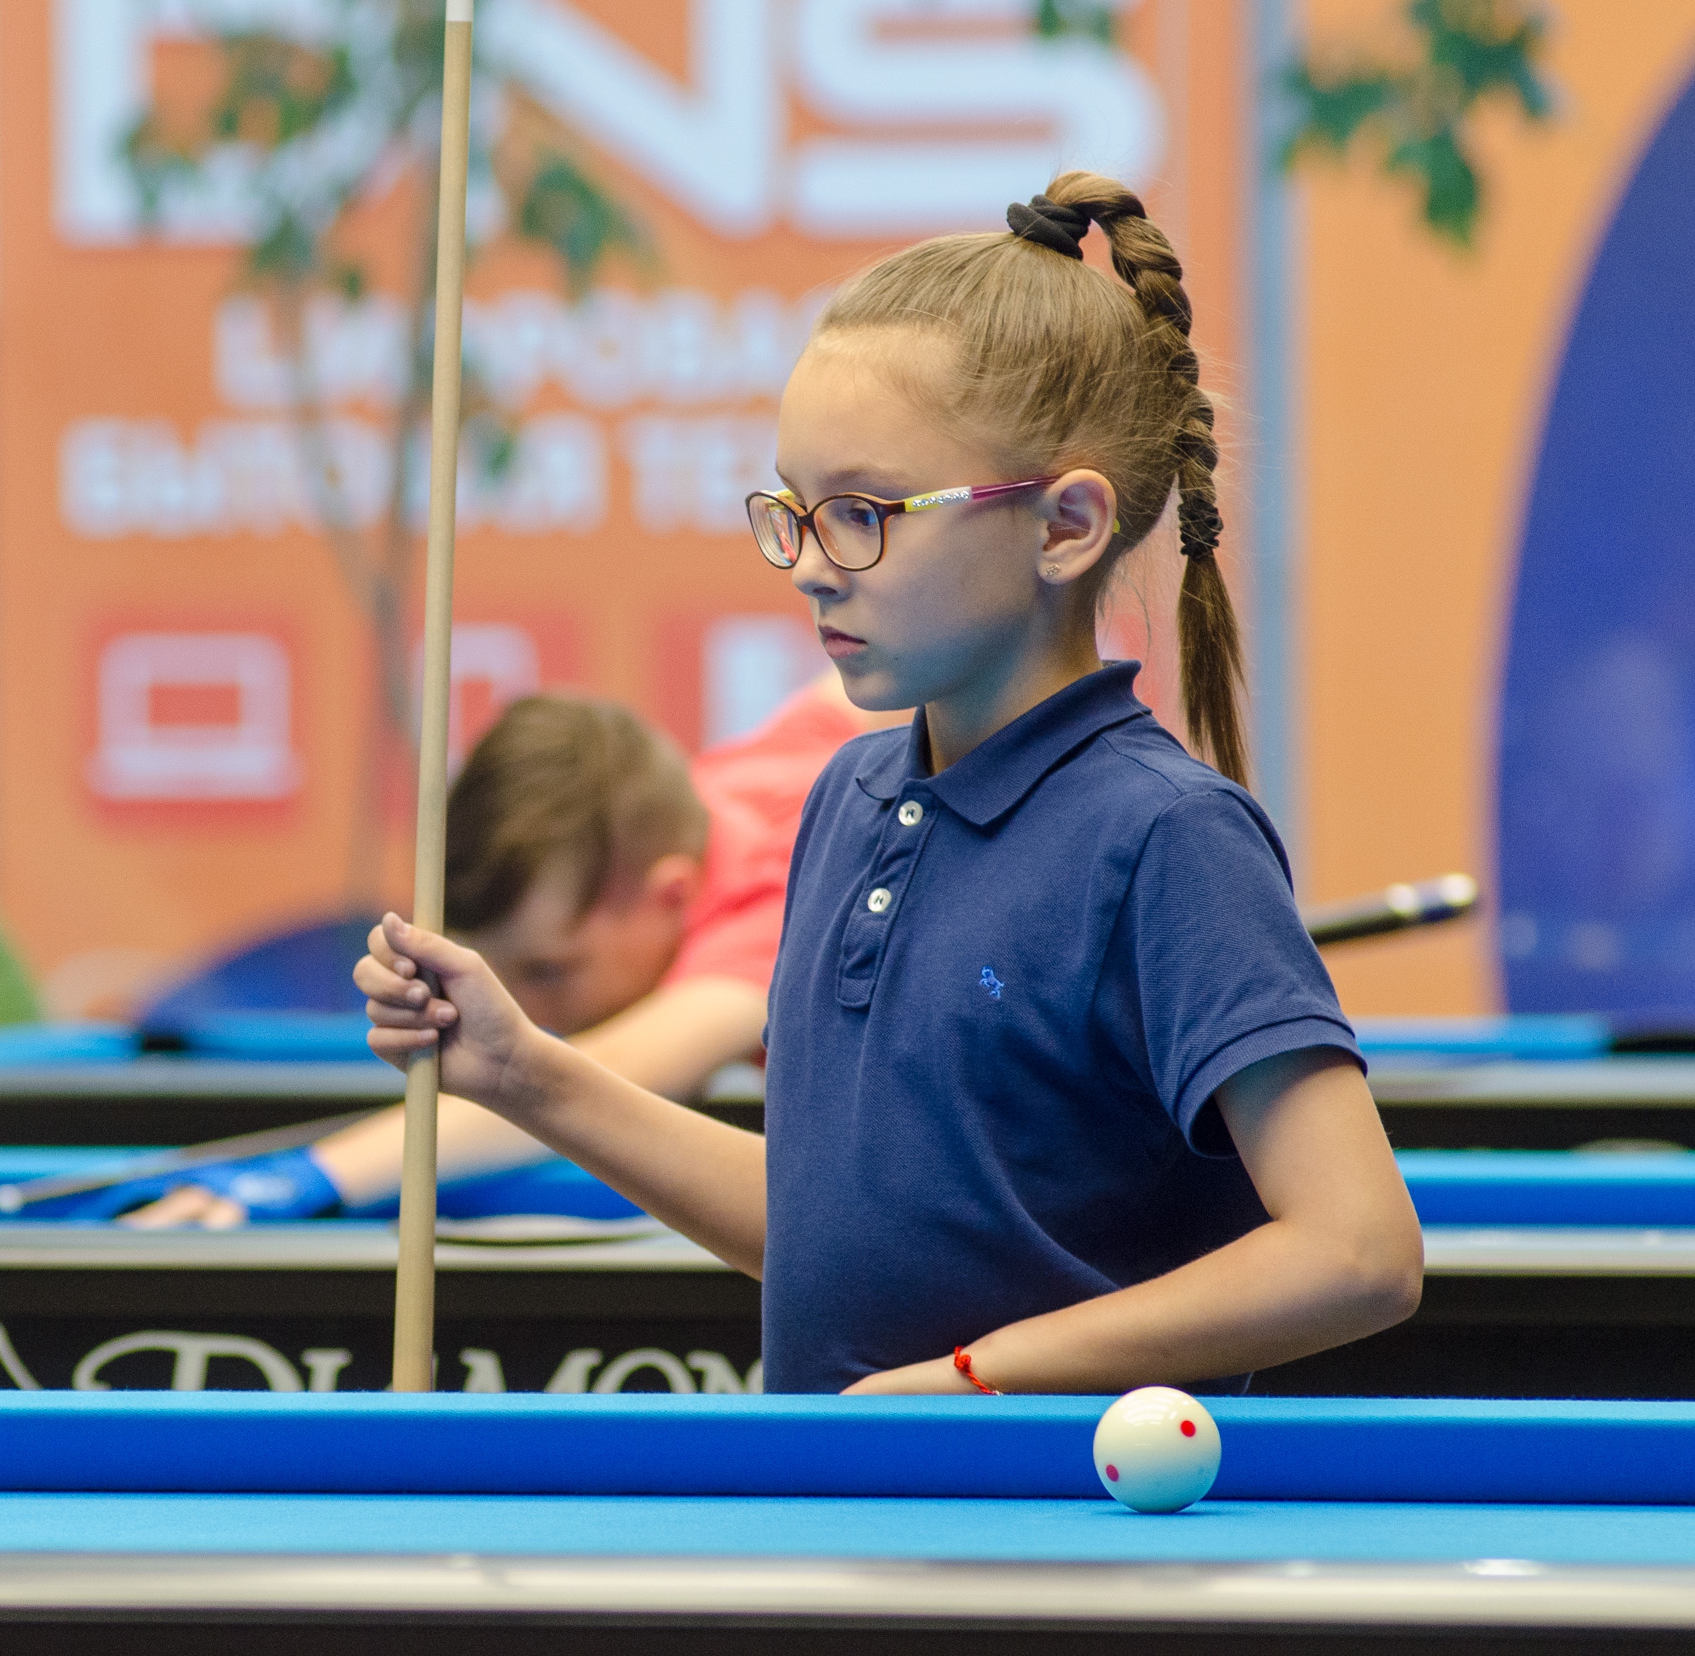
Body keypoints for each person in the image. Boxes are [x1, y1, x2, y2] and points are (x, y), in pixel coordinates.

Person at [356, 172, 1423, 1394]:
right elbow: (826, 1241)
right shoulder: (846, 801)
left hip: (1053, 1519)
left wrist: (976, 1379)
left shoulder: (1167, 836)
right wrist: (523, 1073)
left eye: (861, 512)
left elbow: (1357, 1251)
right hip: (840, 1506)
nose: (811, 566)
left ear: (1064, 527)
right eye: (794, 510)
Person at [118, 678, 896, 1228]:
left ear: (671, 894)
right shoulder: (785, 753)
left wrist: (311, 1176)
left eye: (548, 970)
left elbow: (602, 1069)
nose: (519, 1006)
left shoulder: (794, 896)